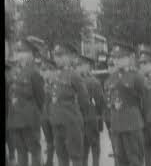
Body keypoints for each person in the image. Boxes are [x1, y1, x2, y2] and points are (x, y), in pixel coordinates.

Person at [104, 42, 151, 166]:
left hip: (132, 123)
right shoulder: (111, 78)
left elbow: (147, 100)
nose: (116, 61)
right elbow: (109, 101)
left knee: (135, 159)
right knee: (119, 160)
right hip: (116, 124)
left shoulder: (137, 77)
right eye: (114, 58)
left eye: (120, 57)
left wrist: (141, 119)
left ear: (129, 58)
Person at [50, 44, 91, 166]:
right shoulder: (55, 75)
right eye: (56, 56)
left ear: (69, 57)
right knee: (61, 155)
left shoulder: (74, 75)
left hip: (71, 121)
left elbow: (84, 99)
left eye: (61, 55)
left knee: (75, 156)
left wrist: (78, 117)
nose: (57, 59)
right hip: (57, 121)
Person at [7, 38, 45, 166]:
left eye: (22, 52)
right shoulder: (14, 73)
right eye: (18, 51)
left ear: (31, 54)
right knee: (21, 152)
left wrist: (36, 116)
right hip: (15, 120)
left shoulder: (35, 73)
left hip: (30, 120)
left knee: (34, 151)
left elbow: (41, 98)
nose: (19, 55)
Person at [76, 55, 106, 166]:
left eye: (80, 65)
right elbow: (100, 101)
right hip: (89, 117)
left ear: (88, 66)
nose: (78, 68)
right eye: (77, 65)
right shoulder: (93, 81)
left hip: (82, 117)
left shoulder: (77, 81)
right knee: (94, 146)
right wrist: (98, 114)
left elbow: (100, 101)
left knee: (84, 147)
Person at [39, 56, 58, 166]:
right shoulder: (41, 83)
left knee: (59, 142)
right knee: (49, 141)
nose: (43, 72)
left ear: (53, 71)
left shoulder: (58, 83)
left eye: (46, 70)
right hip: (45, 116)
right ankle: (49, 162)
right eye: (43, 70)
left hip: (55, 116)